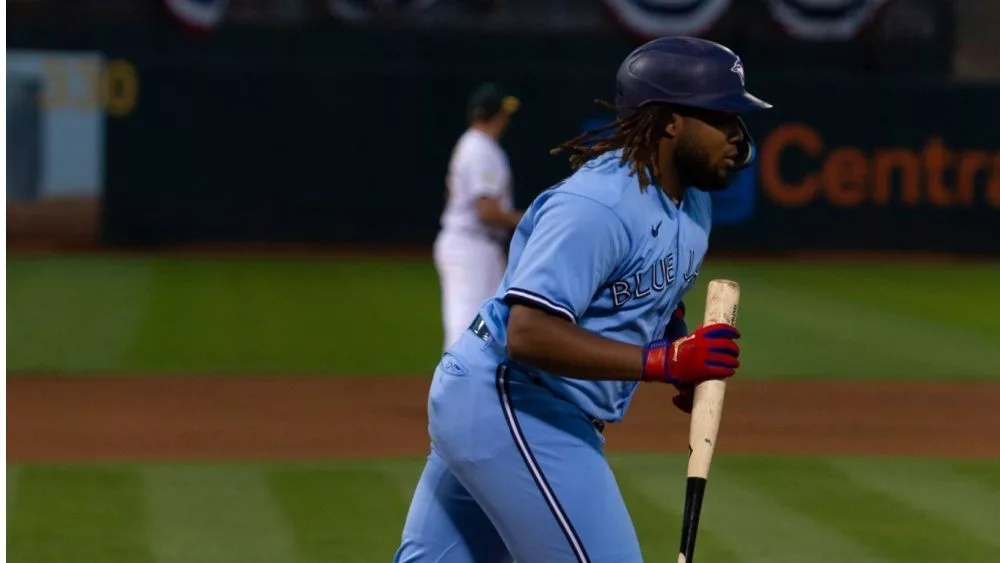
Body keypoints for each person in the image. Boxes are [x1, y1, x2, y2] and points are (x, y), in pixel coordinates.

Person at [394, 36, 773, 563]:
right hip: (513, 400)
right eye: (723, 117)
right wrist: (663, 362)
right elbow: (527, 332)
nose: (738, 136)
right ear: (669, 122)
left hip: (513, 407)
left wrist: (677, 347)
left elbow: (641, 299)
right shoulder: (597, 205)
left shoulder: (694, 207)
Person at [434, 83, 525, 350]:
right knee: (466, 326)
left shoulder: (472, 145)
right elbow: (487, 211)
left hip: (477, 245)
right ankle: (453, 386)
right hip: (470, 245)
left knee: (487, 327)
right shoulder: (481, 149)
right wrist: (529, 220)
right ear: (496, 115)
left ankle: (472, 386)